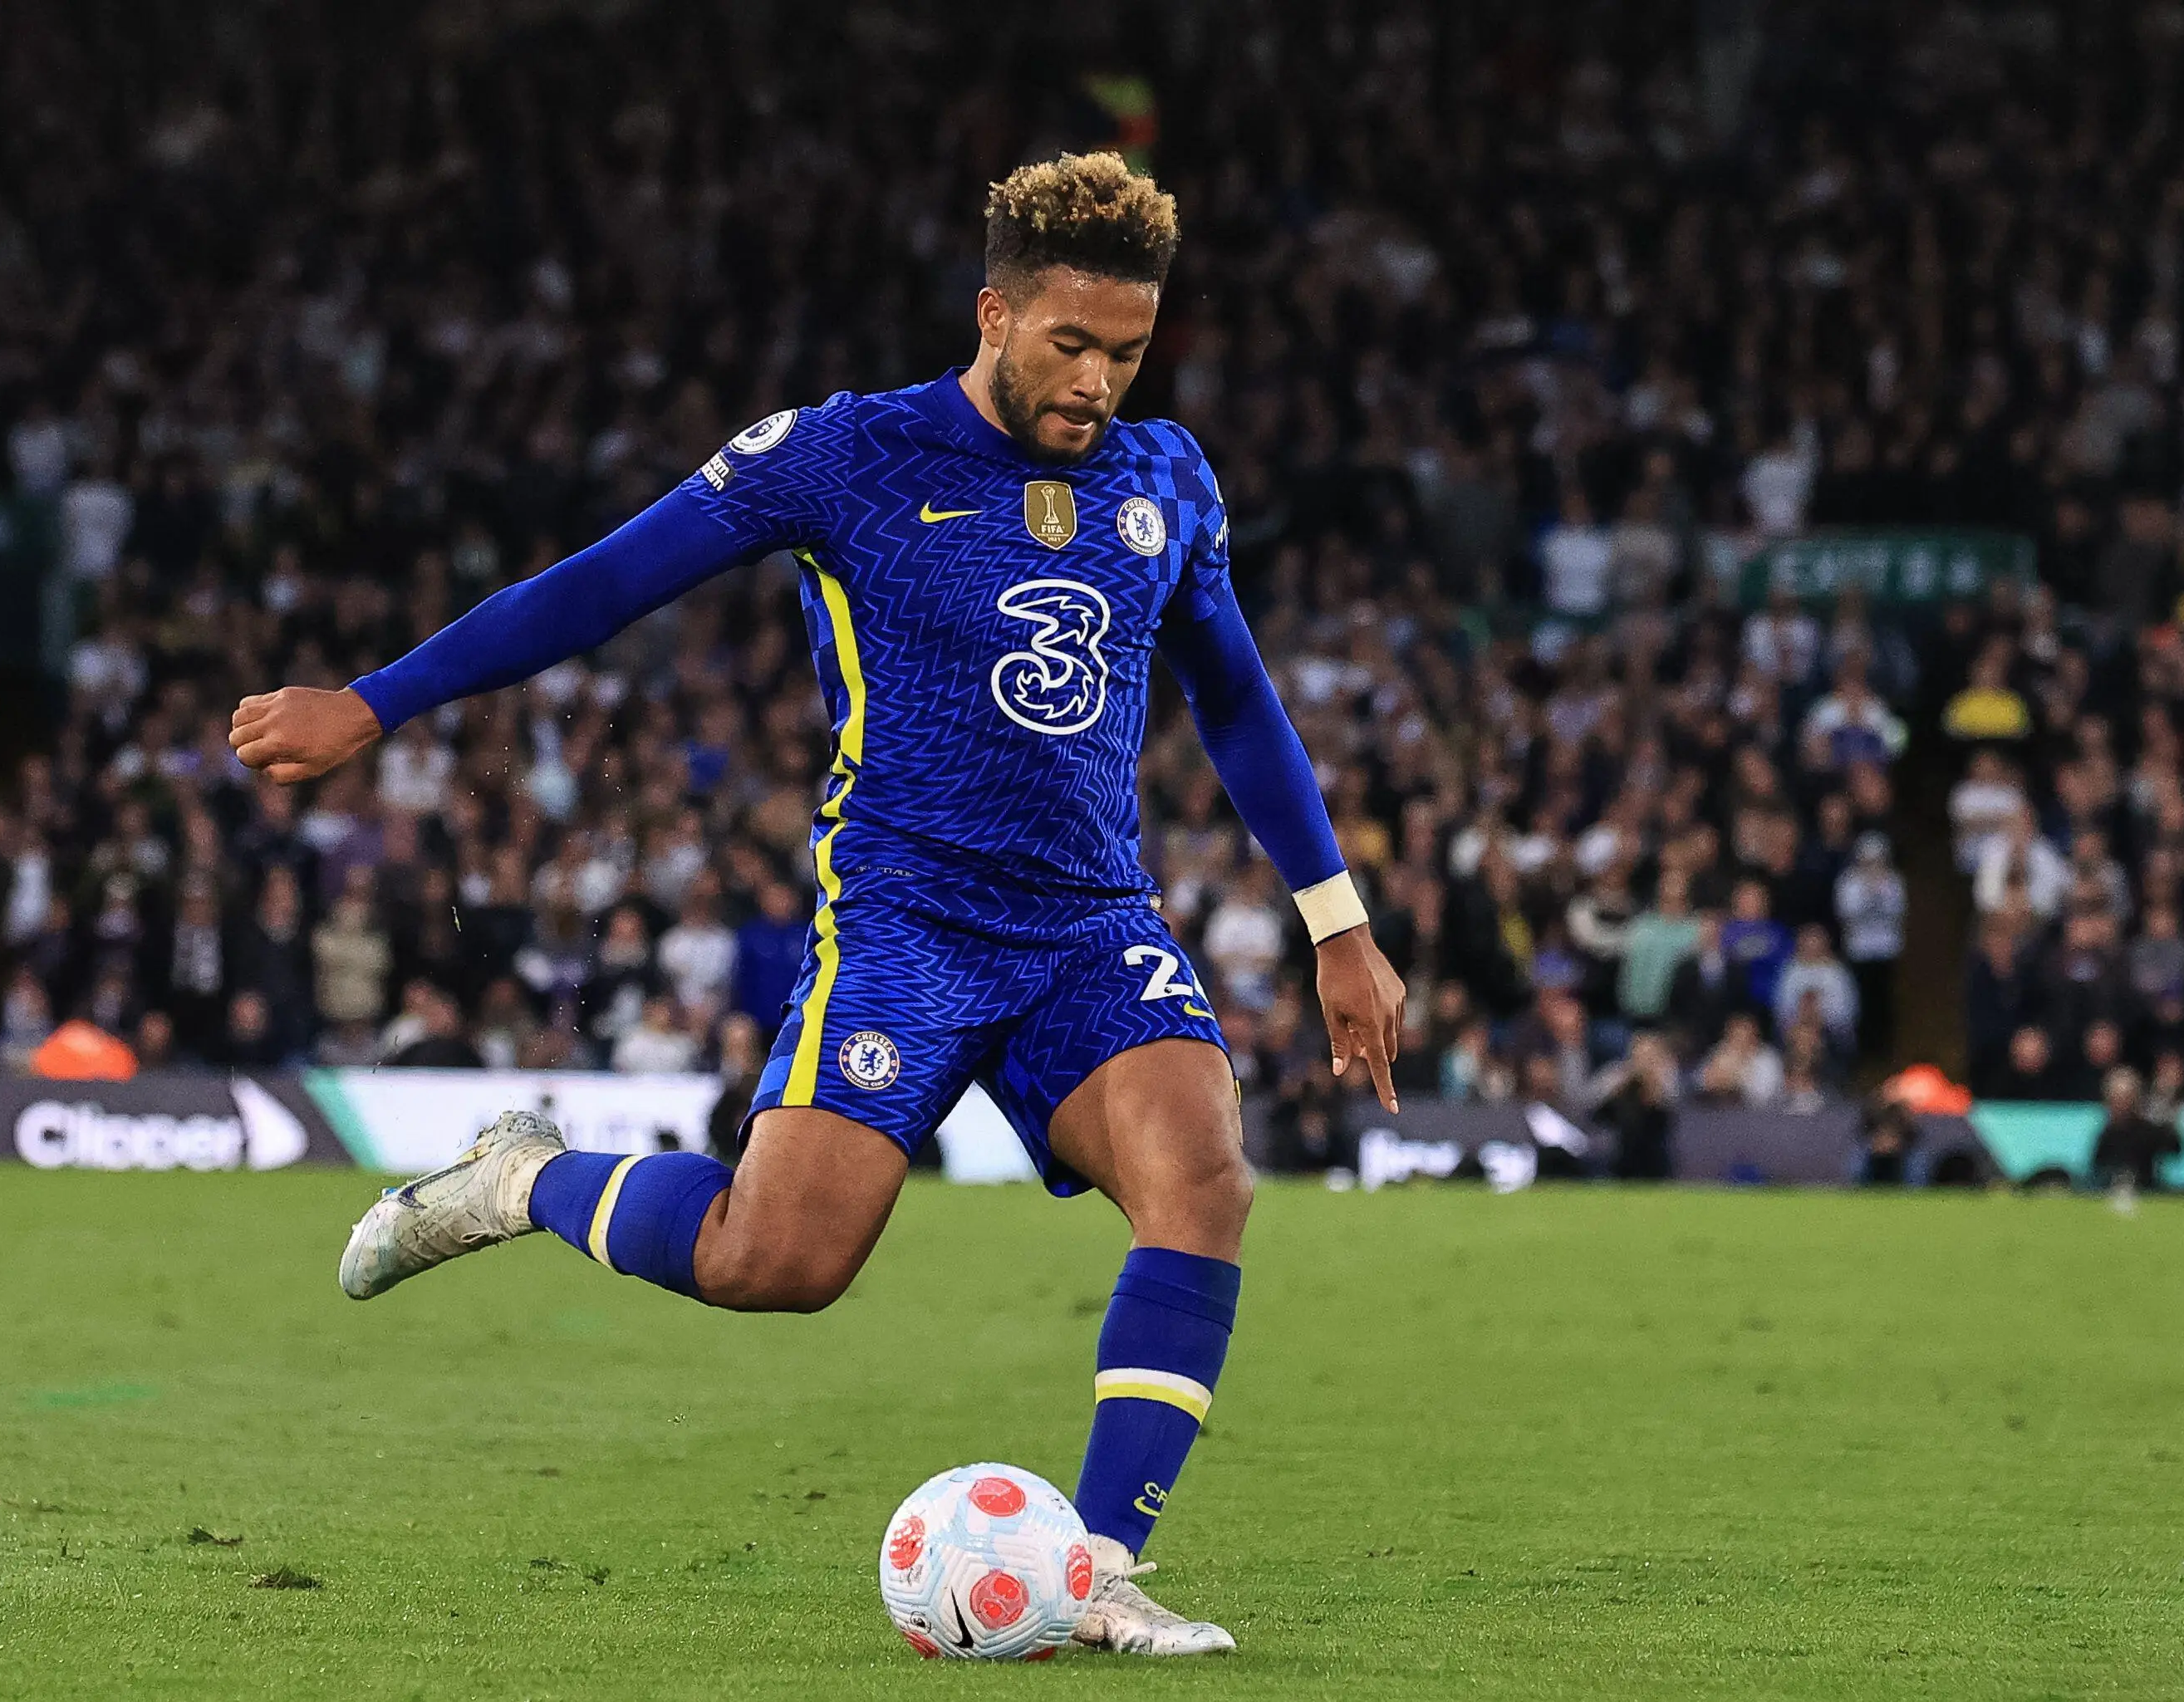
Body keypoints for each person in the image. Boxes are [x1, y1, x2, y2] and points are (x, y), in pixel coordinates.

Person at [226, 152, 1403, 1658]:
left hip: (1089, 927)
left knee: (1204, 1186)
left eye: (1127, 351)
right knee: (772, 1263)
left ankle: (1096, 1570)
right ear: (994, 313)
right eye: (1070, 345)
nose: (1097, 383)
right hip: (904, 925)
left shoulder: (1164, 477)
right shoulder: (842, 456)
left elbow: (1232, 698)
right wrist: (375, 702)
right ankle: (518, 1181)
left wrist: (1336, 921)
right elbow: (600, 585)